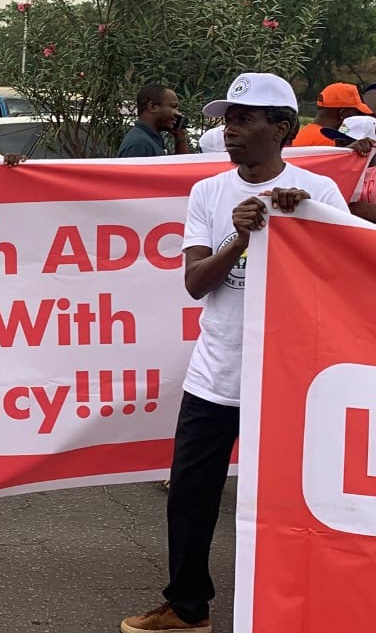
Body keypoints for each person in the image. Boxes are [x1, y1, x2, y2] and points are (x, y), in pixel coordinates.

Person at [120, 72, 363, 633]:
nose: (230, 130)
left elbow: (340, 285)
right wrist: (239, 239)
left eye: (245, 118)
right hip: (217, 375)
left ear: (281, 128)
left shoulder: (319, 194)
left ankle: (299, 607)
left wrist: (304, 224)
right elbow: (195, 283)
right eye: (227, 118)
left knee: (289, 504)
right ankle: (187, 607)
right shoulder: (209, 192)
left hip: (290, 381)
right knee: (190, 497)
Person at [117, 84, 190, 157]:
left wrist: (180, 138)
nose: (178, 114)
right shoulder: (139, 145)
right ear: (152, 107)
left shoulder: (150, 139)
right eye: (173, 106)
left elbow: (180, 167)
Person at [291, 82, 371, 147]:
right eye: (357, 113)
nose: (358, 118)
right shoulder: (328, 142)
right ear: (342, 114)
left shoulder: (304, 132)